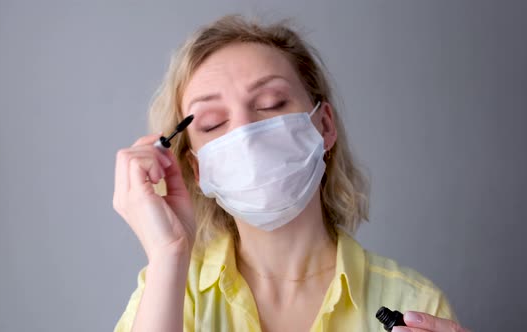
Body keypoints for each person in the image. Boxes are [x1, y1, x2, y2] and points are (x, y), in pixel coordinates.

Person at [112, 15, 469, 332]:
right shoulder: (168, 291)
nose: (245, 134)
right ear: (197, 168)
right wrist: (170, 254)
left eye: (271, 104)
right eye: (213, 123)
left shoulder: (413, 303)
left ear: (324, 125)